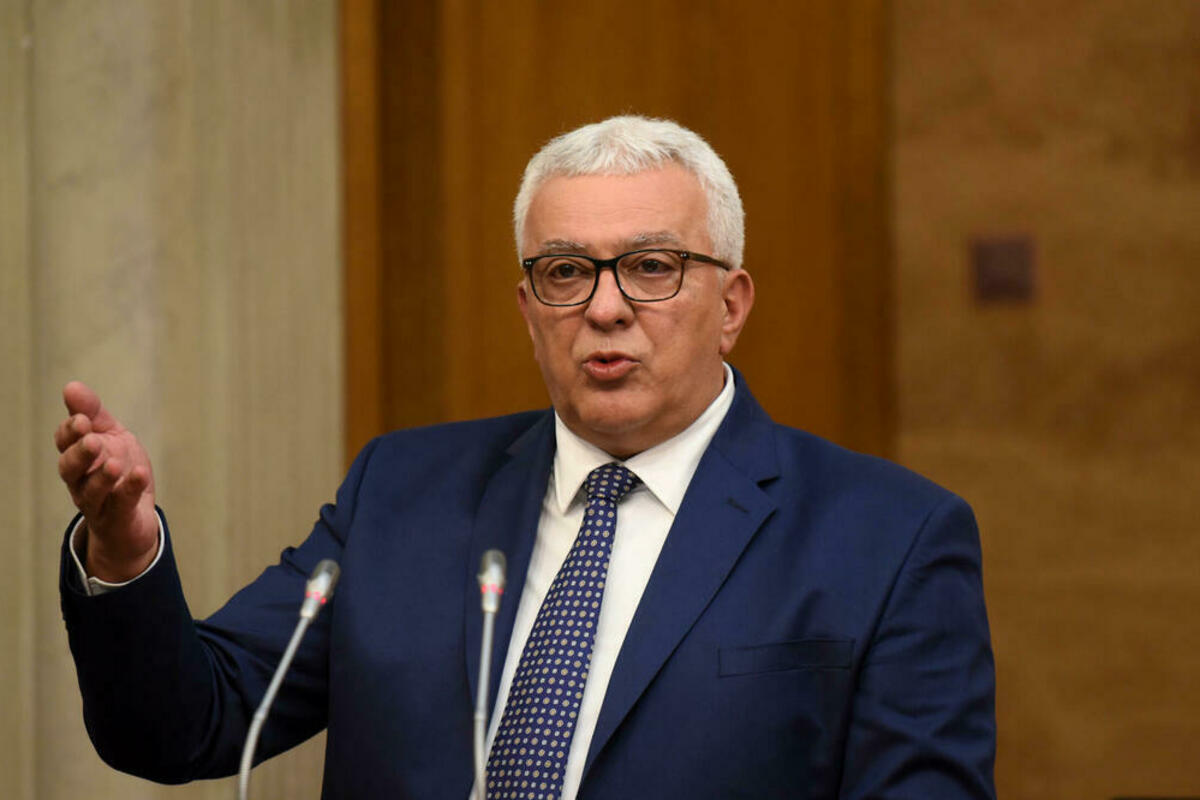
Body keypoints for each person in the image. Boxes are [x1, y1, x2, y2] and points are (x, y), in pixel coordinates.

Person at [55, 115, 996, 799]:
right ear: (528, 309)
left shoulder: (889, 539)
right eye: (566, 272)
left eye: (653, 267)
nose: (606, 308)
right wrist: (124, 552)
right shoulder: (402, 493)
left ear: (732, 305)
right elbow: (184, 725)